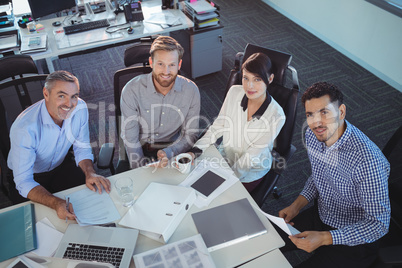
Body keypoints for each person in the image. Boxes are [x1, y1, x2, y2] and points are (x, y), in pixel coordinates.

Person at [278, 82, 390, 267]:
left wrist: (325, 238)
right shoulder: (312, 136)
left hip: (354, 238)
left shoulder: (368, 161)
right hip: (323, 215)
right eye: (310, 114)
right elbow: (319, 176)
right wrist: (296, 206)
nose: (317, 122)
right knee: (265, 238)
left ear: (342, 111)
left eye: (325, 112)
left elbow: (379, 224)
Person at [7, 70, 111, 220]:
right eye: (61, 96)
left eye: (74, 96)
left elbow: (81, 148)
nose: (69, 104)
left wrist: (90, 172)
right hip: (31, 175)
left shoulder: (79, 108)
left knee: (91, 206)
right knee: (39, 226)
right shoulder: (25, 128)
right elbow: (24, 181)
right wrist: (55, 202)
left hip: (60, 166)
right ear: (46, 94)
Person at [186, 52, 286, 192]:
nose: (249, 86)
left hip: (250, 172)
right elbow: (218, 126)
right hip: (225, 157)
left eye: (257, 79)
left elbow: (252, 156)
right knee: (190, 183)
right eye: (246, 78)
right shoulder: (234, 92)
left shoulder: (276, 115)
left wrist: (228, 179)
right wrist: (195, 151)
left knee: (217, 200)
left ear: (270, 79)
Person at [120, 36, 200, 169]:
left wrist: (169, 153)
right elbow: (131, 138)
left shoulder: (191, 91)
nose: (166, 72)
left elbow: (190, 134)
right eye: (160, 64)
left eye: (172, 65)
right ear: (151, 62)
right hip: (140, 148)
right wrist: (140, 169)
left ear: (179, 65)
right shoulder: (131, 90)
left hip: (174, 148)